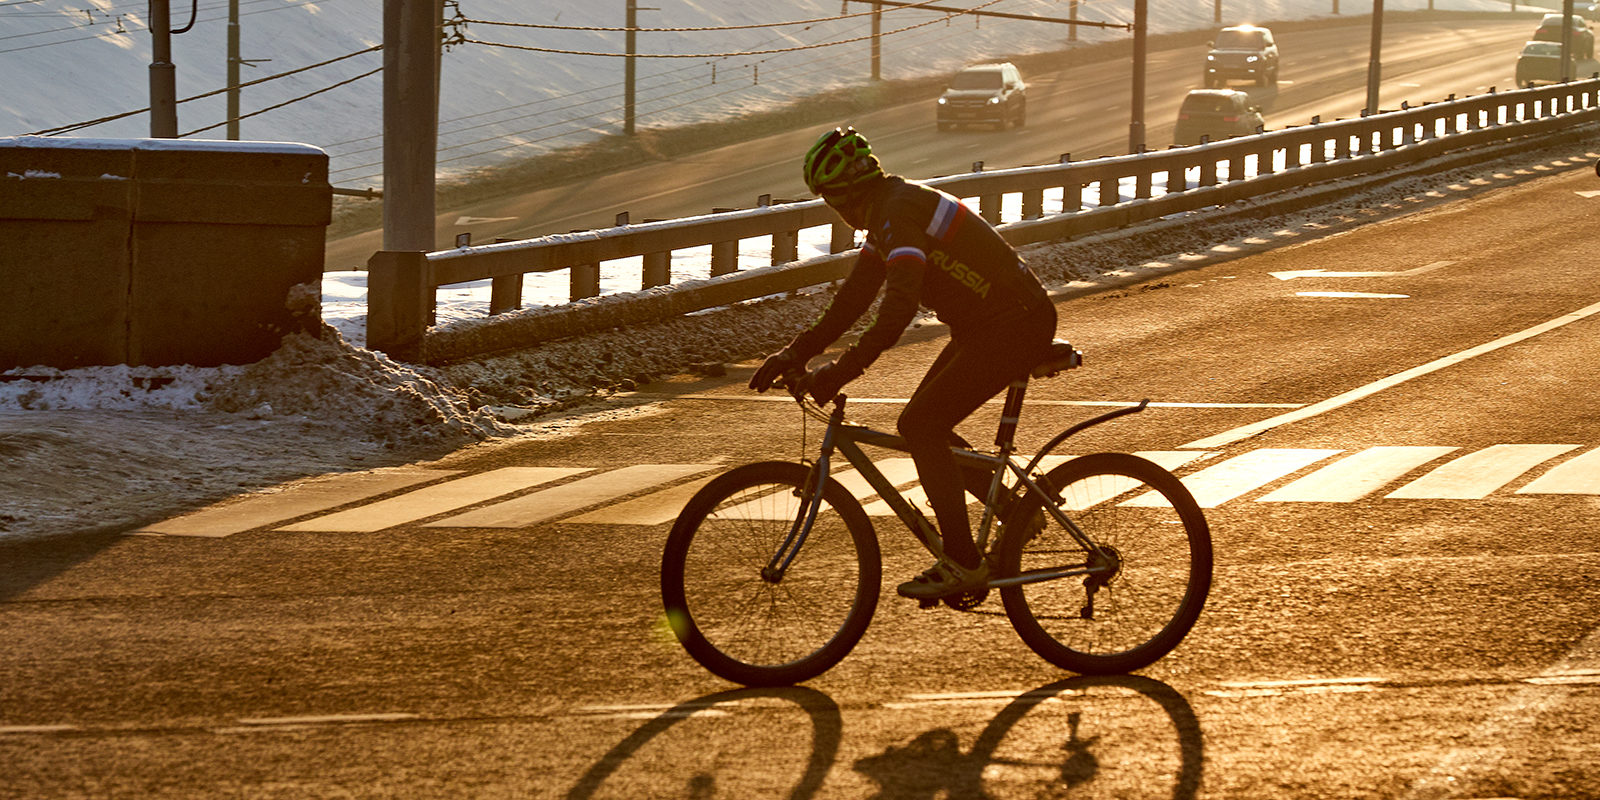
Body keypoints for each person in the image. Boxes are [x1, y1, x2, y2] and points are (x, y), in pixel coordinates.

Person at [749, 126, 1058, 600]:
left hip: (1015, 323)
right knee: (924, 422)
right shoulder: (890, 214)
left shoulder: (897, 215)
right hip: (990, 324)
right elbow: (853, 299)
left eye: (830, 198)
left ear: (847, 192)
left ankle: (961, 561)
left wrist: (841, 370)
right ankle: (1017, 511)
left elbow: (896, 311)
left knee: (923, 425)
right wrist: (796, 352)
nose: (834, 210)